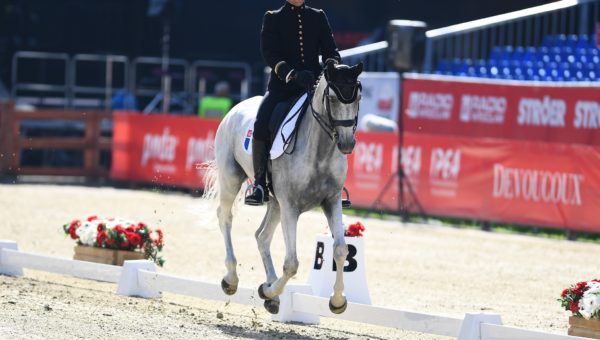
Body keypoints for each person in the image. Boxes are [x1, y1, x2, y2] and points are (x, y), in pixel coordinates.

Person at [245, 0, 342, 205]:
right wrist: (292, 74)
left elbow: (330, 50)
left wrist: (331, 65)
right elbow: (270, 54)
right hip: (283, 87)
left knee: (336, 120)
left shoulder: (318, 16)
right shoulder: (273, 17)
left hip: (313, 87)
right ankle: (259, 183)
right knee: (261, 124)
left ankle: (336, 183)